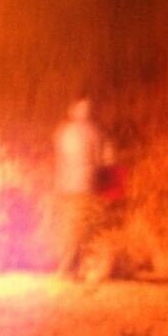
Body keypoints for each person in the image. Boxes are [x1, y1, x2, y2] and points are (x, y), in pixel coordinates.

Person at [52, 97, 111, 277]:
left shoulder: (64, 131)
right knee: (80, 228)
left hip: (67, 185)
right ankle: (72, 267)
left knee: (70, 227)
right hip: (84, 185)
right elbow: (103, 159)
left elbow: (60, 157)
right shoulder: (93, 132)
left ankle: (70, 267)